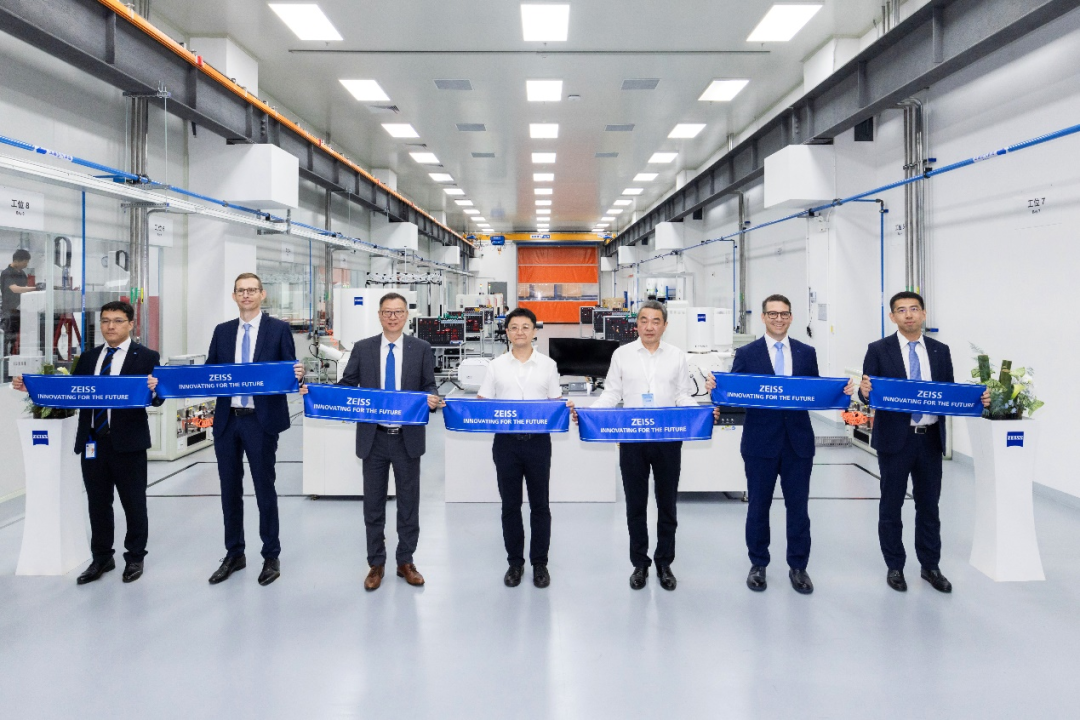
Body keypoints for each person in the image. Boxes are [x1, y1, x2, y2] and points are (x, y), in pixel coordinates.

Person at [13, 300, 161, 584]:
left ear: (131, 324)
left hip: (129, 443)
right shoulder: (89, 358)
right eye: (105, 321)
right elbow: (70, 394)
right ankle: (102, 557)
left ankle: (135, 557)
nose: (110, 326)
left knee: (134, 503)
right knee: (98, 503)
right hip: (93, 441)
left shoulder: (146, 357)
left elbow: (157, 398)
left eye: (117, 321)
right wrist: (32, 388)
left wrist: (156, 390)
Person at [575, 300, 713, 591]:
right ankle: (639, 563)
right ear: (636, 324)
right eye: (644, 320)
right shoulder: (622, 355)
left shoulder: (677, 356)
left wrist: (701, 413)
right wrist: (590, 414)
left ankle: (664, 563)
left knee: (667, 504)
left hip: (667, 439)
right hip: (633, 440)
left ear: (665, 325)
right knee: (635, 505)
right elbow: (611, 394)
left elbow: (682, 396)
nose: (649, 326)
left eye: (656, 321)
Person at [859, 291, 990, 593]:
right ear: (892, 316)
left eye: (914, 309)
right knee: (891, 505)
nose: (908, 315)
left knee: (929, 506)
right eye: (901, 310)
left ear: (924, 313)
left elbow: (949, 393)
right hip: (895, 440)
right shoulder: (878, 350)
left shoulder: (940, 351)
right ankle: (895, 566)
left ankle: (930, 566)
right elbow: (867, 394)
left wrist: (977, 399)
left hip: (929, 439)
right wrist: (864, 393)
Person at [729, 294, 855, 595]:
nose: (778, 319)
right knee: (758, 506)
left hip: (798, 443)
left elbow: (814, 391)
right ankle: (758, 564)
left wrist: (841, 391)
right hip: (760, 443)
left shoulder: (806, 353)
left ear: (791, 317)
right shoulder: (747, 353)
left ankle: (798, 566)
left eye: (784, 314)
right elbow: (735, 391)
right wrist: (716, 387)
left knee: (798, 508)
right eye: (772, 314)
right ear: (763, 317)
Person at [337, 292, 443, 591]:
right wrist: (318, 393)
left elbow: (429, 384)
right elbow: (347, 385)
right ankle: (376, 563)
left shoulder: (421, 348)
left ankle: (405, 561)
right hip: (374, 438)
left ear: (406, 315)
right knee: (373, 505)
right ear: (379, 315)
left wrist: (432, 398)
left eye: (398, 312)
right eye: (387, 312)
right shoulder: (363, 348)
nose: (392, 317)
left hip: (407, 439)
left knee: (409, 504)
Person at [205, 273, 304, 587]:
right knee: (229, 490)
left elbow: (289, 370)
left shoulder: (278, 330)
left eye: (251, 290)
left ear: (262, 295)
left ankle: (271, 555)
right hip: (227, 420)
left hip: (260, 421)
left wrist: (299, 374)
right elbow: (209, 372)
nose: (246, 295)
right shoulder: (222, 331)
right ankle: (234, 553)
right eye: (241, 290)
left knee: (264, 488)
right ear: (234, 296)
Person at [476, 307, 564, 589]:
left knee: (540, 505)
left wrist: (566, 408)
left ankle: (540, 563)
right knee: (510, 506)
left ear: (534, 331)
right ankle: (515, 563)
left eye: (526, 327)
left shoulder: (548, 365)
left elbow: (555, 403)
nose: (520, 332)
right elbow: (483, 402)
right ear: (507, 332)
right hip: (506, 444)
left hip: (538, 443)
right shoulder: (496, 366)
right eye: (514, 327)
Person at [2, 249, 41, 356]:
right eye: (25, 262)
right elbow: (15, 289)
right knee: (7, 337)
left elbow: (25, 288)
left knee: (19, 338)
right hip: (9, 311)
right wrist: (35, 288)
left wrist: (35, 287)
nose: (26, 265)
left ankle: (16, 357)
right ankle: (4, 360)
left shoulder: (22, 273)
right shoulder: (6, 273)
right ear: (17, 261)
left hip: (21, 310)